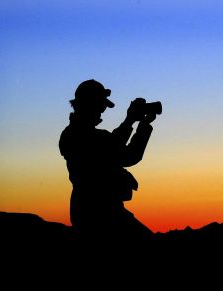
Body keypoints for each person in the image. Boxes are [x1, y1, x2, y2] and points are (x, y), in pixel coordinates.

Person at [59, 79, 158, 241]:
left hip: (103, 211)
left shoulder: (81, 134)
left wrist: (137, 124)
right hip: (98, 214)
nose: (102, 110)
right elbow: (118, 151)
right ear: (89, 104)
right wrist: (135, 123)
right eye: (100, 105)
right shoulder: (76, 136)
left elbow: (122, 151)